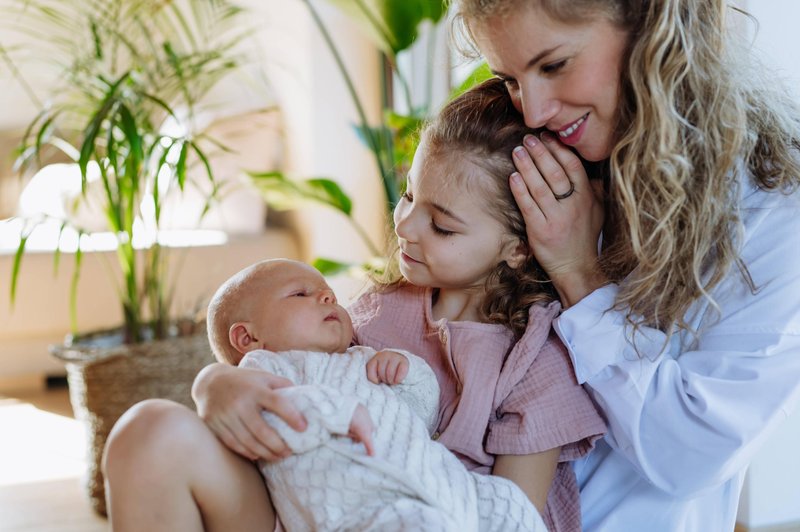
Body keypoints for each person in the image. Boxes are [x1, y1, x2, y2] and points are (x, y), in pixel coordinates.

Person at [103, 78, 605, 532]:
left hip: (422, 518)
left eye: (442, 225)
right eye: (408, 196)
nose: (404, 227)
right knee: (147, 432)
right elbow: (285, 371)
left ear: (517, 246)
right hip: (296, 500)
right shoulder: (375, 311)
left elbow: (511, 516)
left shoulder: (537, 360)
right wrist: (215, 382)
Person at [450, 0, 800, 530]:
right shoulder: (530, 155)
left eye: (553, 65)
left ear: (651, 28)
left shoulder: (774, 212)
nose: (534, 111)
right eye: (512, 79)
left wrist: (579, 275)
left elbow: (691, 453)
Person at [205, 257, 546, 532]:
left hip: (442, 484)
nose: (327, 297)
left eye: (329, 294)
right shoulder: (266, 367)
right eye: (300, 294)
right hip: (359, 504)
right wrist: (335, 412)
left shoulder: (362, 357)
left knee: (509, 503)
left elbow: (424, 415)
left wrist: (407, 373)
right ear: (247, 338)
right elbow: (271, 415)